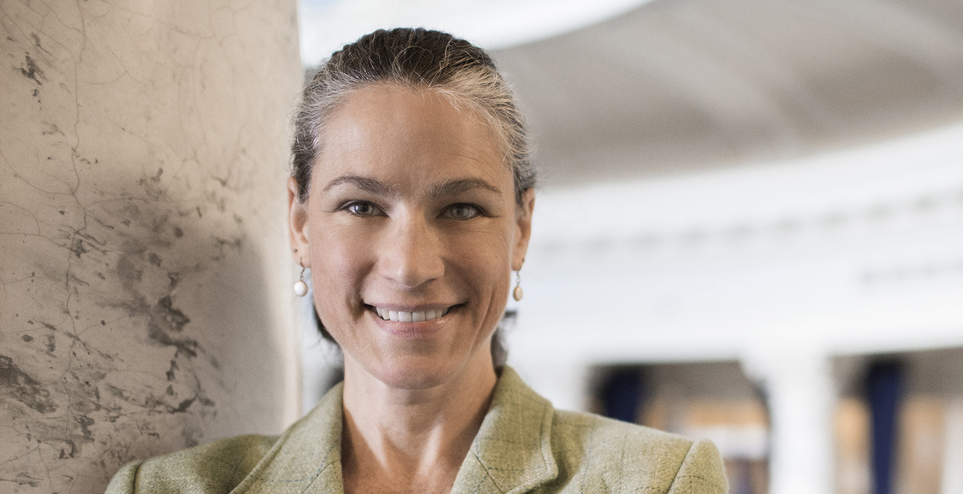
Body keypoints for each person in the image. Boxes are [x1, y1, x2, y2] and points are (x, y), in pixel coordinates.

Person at [105, 28, 727, 494]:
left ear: (521, 228)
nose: (409, 266)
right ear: (299, 223)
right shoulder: (169, 491)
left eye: (460, 209)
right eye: (360, 206)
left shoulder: (656, 482)